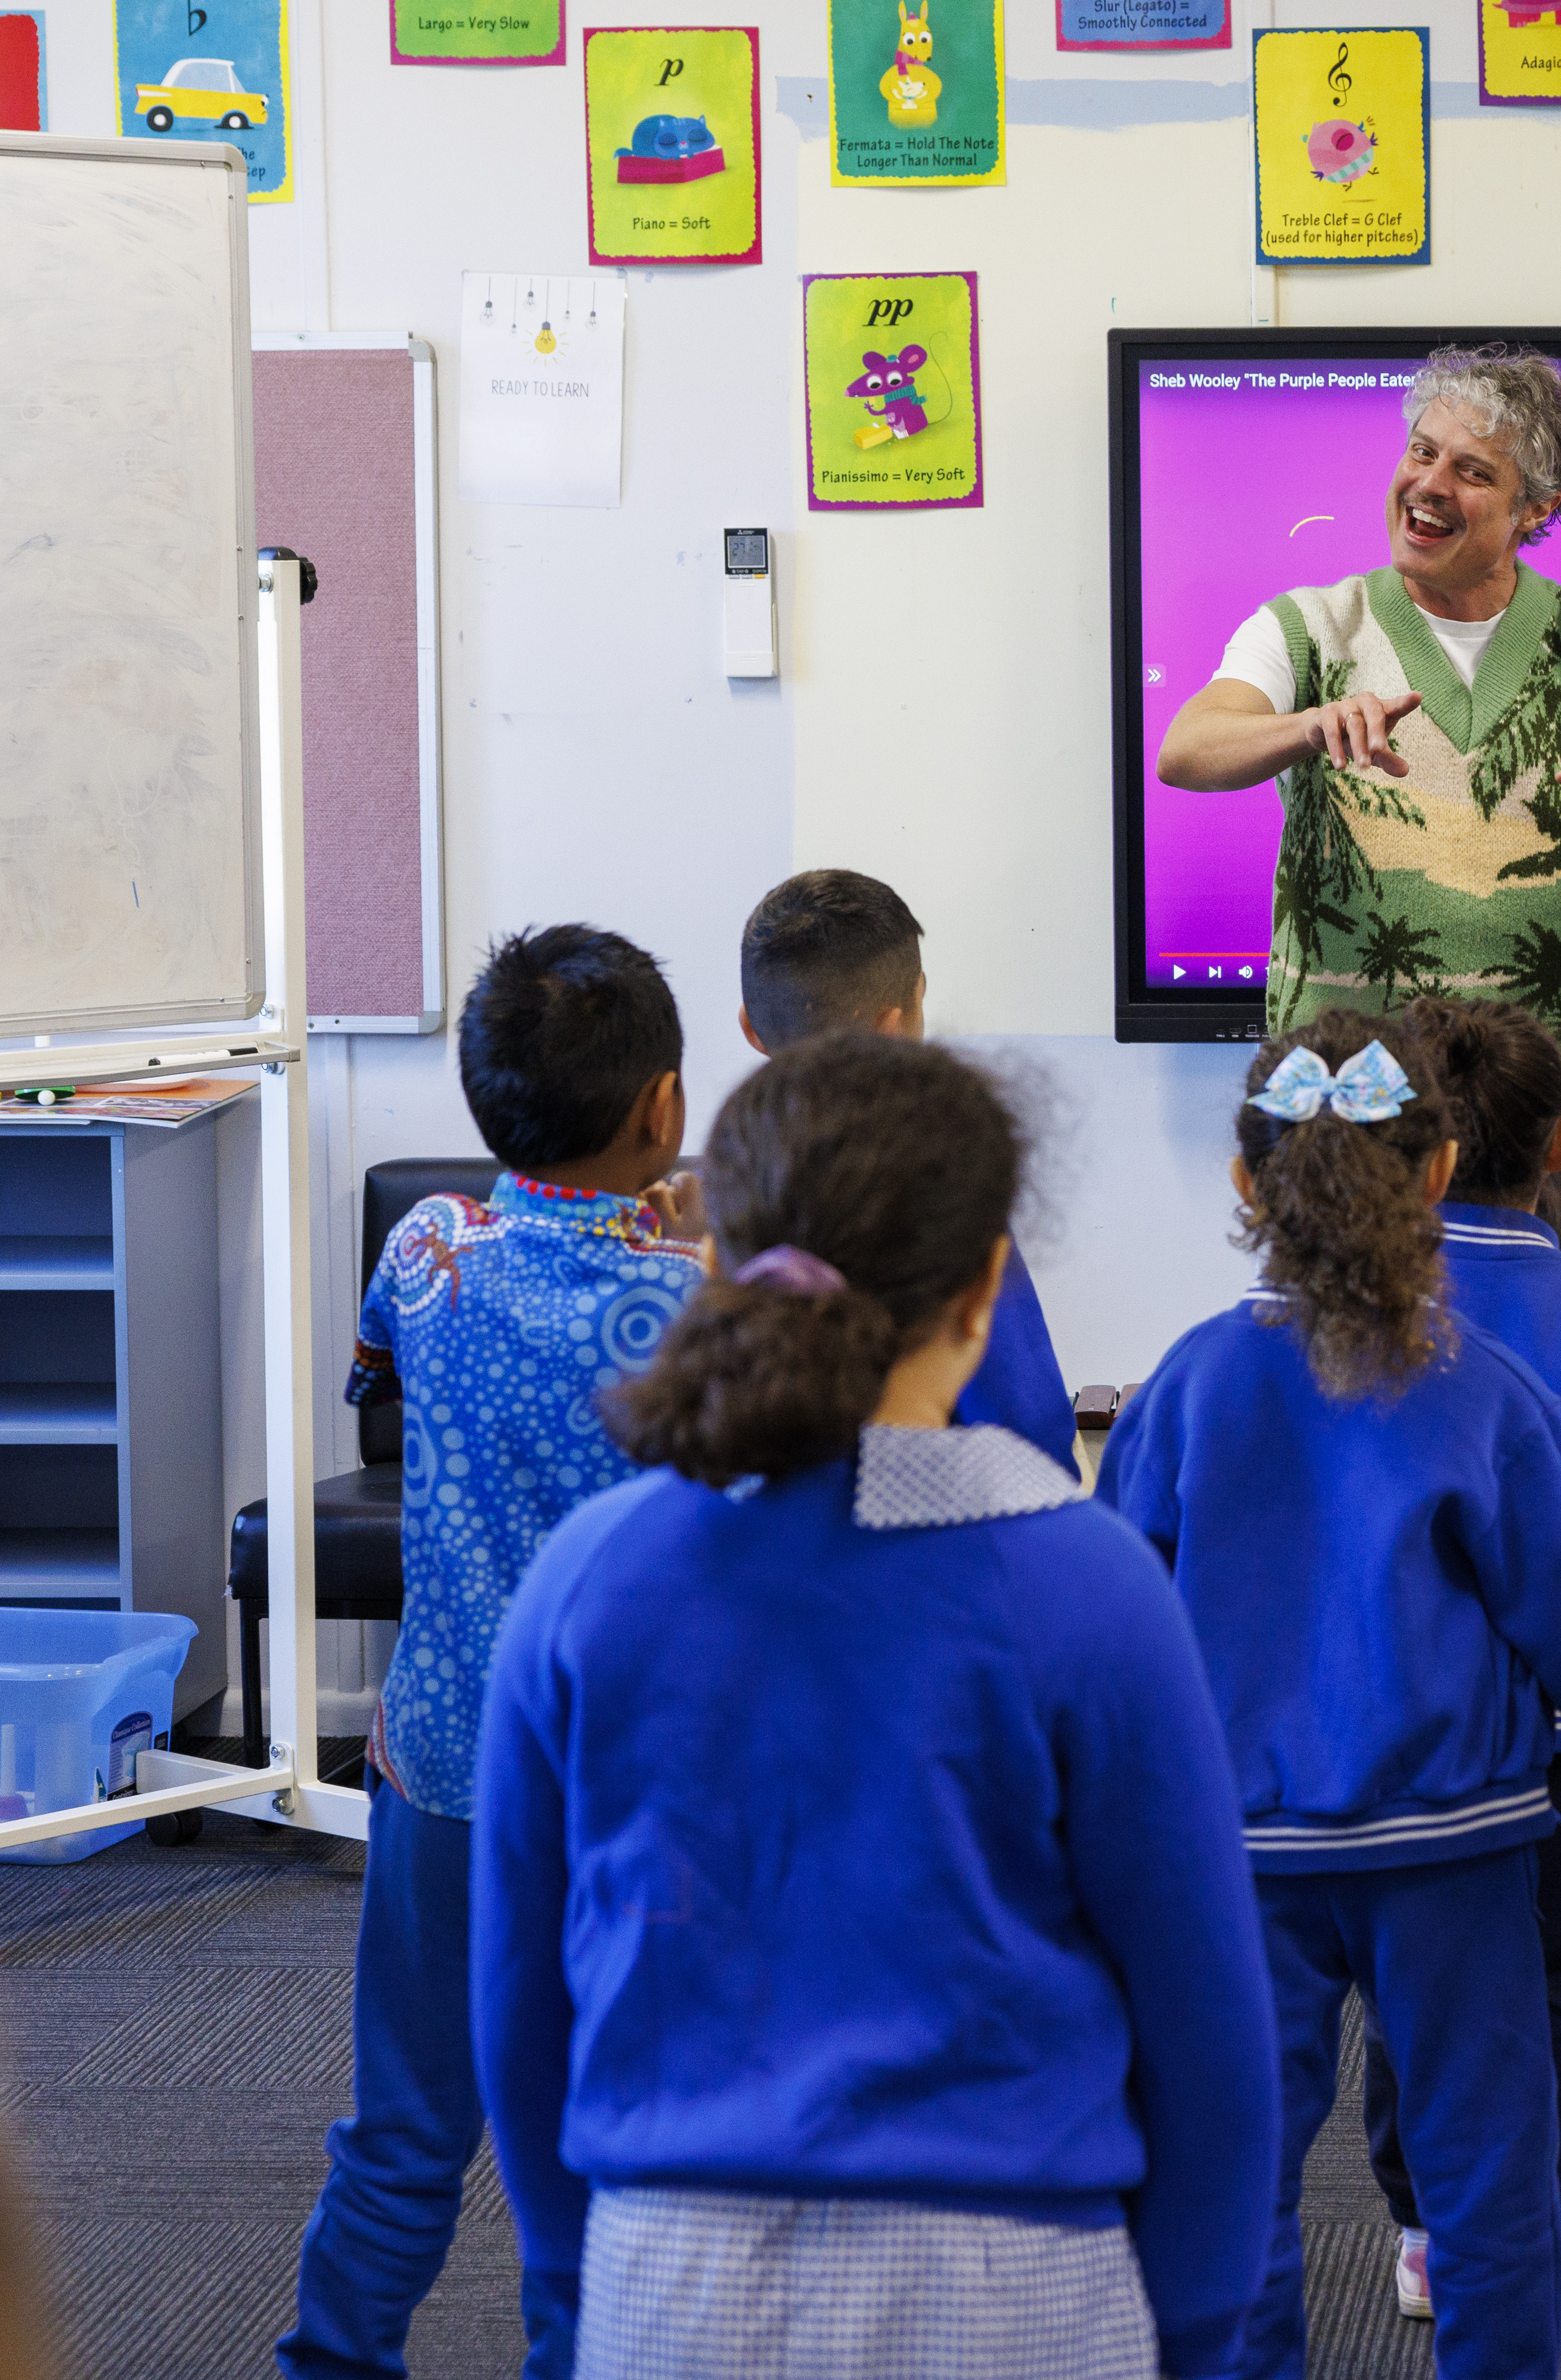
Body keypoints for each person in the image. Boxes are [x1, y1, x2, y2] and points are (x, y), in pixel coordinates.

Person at [470, 1035, 1279, 2380]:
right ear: (986, 1287)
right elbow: (1208, 2017)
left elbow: (515, 1987)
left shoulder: (589, 1575)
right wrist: (1195, 2321)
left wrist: (567, 2266)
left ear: (713, 1255)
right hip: (1021, 2285)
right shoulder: (1089, 1581)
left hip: (669, 2279)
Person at [1153, 339, 1561, 1827]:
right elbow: (1191, 750)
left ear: (1532, 507)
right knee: (1336, 1411)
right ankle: (1305, 1778)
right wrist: (1299, 730)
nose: (1429, 484)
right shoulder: (1312, 626)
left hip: (1554, 1103)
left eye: (1472, 469)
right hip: (1354, 1111)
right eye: (1420, 452)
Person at [1095, 1009, 1561, 2380]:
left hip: (1239, 1862)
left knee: (1235, 2177)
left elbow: (1111, 1633)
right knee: (1486, 2187)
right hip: (1453, 1849)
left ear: (1244, 1181)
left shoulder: (1181, 1383)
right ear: (1437, 1167)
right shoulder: (1488, 1385)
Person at [279, 926, 706, 2380]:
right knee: (595, 2154)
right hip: (632, 1798)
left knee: (403, 2128)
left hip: (450, 1767)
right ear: (663, 1105)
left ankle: (330, 2359)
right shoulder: (707, 1308)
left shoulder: (426, 1249)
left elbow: (376, 1379)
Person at [1358, 997, 1561, 2327]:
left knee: (1405, 1986)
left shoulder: (1347, 1301)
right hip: (1555, 1745)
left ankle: (1428, 2232)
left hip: (1394, 1739)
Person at [734, 867, 1080, 1472]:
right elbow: (1032, 1439)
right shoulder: (941, 1189)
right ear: (896, 1025)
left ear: (750, 1029)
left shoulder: (726, 1186)